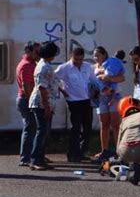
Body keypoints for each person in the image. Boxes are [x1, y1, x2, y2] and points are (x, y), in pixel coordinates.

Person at [55, 47, 95, 162]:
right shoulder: (64, 68)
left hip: (87, 100)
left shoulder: (87, 66)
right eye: (76, 59)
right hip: (73, 101)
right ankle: (72, 153)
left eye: (80, 59)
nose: (78, 62)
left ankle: (81, 152)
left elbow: (93, 81)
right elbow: (53, 79)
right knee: (75, 128)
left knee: (87, 128)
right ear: (71, 56)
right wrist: (62, 90)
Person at [28, 41, 61, 170]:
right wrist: (47, 107)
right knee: (41, 131)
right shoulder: (44, 67)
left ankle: (40, 159)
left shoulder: (44, 64)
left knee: (44, 132)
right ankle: (35, 159)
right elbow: (42, 88)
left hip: (45, 103)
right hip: (41, 103)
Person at [93, 46, 125, 161]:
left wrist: (107, 77)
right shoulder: (94, 68)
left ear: (104, 55)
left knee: (116, 125)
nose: (96, 58)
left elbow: (121, 78)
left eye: (98, 55)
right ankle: (104, 150)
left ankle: (119, 151)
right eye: (94, 55)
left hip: (114, 96)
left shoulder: (111, 65)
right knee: (104, 125)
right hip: (101, 98)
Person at [16, 41, 40, 166]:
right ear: (29, 51)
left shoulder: (30, 64)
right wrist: (32, 102)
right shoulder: (26, 65)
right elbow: (26, 86)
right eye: (36, 51)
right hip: (26, 100)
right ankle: (25, 158)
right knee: (29, 128)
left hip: (26, 99)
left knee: (32, 128)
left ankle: (30, 155)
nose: (38, 53)